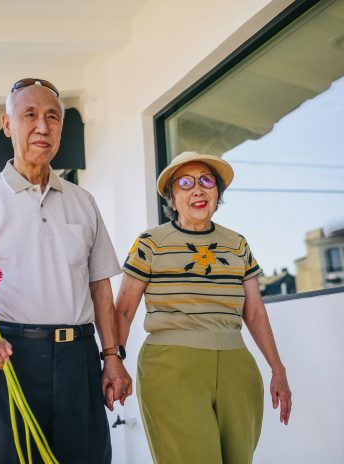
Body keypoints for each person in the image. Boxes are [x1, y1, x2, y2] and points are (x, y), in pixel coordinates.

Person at [0, 78, 132, 464]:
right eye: (30, 115)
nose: (43, 126)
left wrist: (112, 357)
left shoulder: (83, 201)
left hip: (78, 359)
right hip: (8, 359)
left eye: (52, 117)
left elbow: (100, 286)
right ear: (7, 124)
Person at [115, 151, 292, 464]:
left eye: (206, 181)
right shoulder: (151, 242)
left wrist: (277, 368)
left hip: (237, 366)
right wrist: (114, 362)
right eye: (185, 182)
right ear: (172, 195)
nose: (197, 189)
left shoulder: (237, 243)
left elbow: (254, 312)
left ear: (217, 193)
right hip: (171, 367)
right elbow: (124, 309)